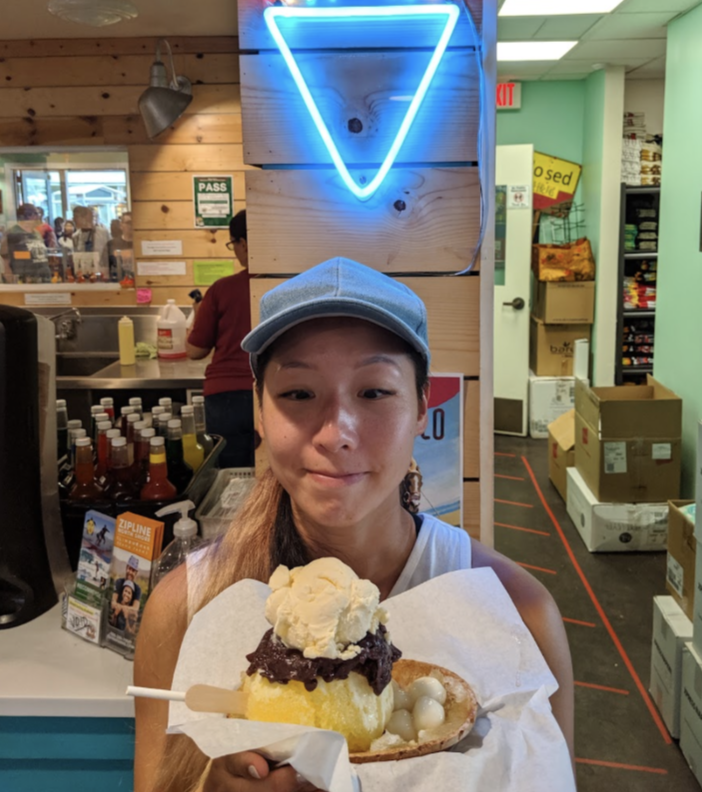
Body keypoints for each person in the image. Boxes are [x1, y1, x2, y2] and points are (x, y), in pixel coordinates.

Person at [134, 258, 574, 792]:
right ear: (259, 411)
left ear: (421, 406)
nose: (336, 434)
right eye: (298, 393)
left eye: (374, 392)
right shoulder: (185, 610)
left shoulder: (518, 615)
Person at [185, 210, 255, 467]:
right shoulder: (293, 286)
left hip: (226, 397)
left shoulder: (222, 289)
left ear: (243, 243)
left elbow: (195, 350)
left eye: (233, 243)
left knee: (231, 475)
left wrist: (197, 314)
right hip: (273, 392)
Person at [0, 203, 50, 283]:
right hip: (25, 279)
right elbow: (5, 258)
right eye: (37, 214)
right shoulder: (13, 233)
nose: (39, 217)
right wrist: (9, 277)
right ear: (29, 216)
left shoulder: (36, 233)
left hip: (43, 278)